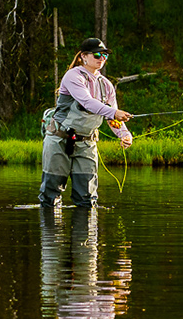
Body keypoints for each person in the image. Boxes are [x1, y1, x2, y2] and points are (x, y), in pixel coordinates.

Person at [40, 38, 133, 208]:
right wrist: (114, 112)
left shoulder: (107, 85)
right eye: (97, 54)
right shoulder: (73, 76)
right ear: (83, 56)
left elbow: (112, 118)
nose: (101, 58)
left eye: (105, 55)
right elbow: (87, 102)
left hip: (87, 143)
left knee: (87, 199)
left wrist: (124, 134)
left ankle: (86, 235)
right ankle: (52, 233)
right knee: (51, 197)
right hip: (59, 139)